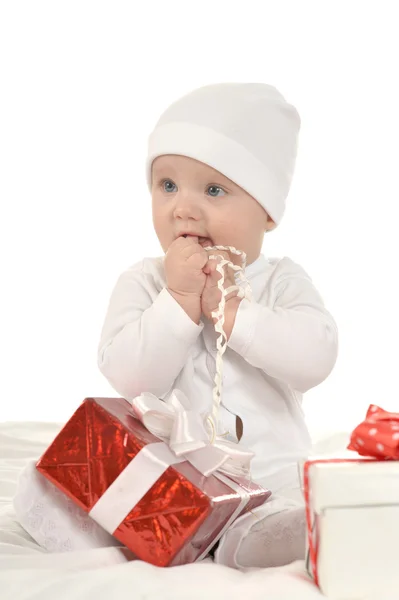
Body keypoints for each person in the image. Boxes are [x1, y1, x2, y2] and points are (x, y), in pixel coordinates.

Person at [97, 82, 338, 568]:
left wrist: (236, 316)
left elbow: (316, 358)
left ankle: (273, 535)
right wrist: (180, 300)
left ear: (267, 212)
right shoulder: (145, 282)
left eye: (213, 189)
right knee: (88, 492)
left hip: (272, 474)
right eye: (167, 186)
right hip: (173, 478)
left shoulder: (280, 281)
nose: (183, 207)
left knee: (272, 514)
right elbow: (128, 379)